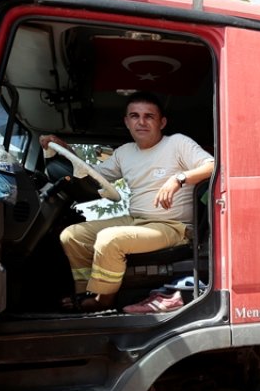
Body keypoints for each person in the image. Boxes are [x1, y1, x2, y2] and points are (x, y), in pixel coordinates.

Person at [40, 91, 214, 312]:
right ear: (127, 122)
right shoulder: (124, 153)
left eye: (149, 116)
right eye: (134, 116)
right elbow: (91, 175)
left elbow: (213, 165)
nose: (141, 122)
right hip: (136, 220)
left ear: (162, 122)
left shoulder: (177, 143)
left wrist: (178, 179)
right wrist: (65, 149)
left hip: (173, 227)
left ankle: (103, 301)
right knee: (72, 235)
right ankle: (84, 293)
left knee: (109, 239)